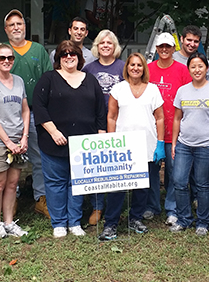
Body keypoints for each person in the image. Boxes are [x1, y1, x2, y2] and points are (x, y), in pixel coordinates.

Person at [0, 9, 53, 218]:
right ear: (6, 30)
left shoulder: (38, 50)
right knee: (6, 159)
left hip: (31, 112)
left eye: (19, 24)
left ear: (25, 26)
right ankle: (10, 202)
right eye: (11, 25)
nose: (16, 28)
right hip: (2, 116)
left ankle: (41, 198)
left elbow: (47, 81)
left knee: (38, 157)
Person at [33, 41, 107, 237]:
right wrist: (53, 131)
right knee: (56, 182)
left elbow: (101, 110)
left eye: (72, 53)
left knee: (77, 182)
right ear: (58, 58)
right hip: (54, 142)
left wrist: (100, 135)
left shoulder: (90, 80)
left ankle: (74, 222)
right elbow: (39, 108)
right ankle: (58, 223)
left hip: (83, 145)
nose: (68, 57)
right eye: (64, 54)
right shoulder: (48, 79)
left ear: (79, 57)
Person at [98, 53, 165, 241]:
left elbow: (159, 118)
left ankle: (135, 218)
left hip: (146, 145)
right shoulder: (118, 89)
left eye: (139, 65)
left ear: (144, 68)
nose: (135, 68)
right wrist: (110, 142)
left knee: (142, 186)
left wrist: (160, 143)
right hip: (122, 147)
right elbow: (111, 116)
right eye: (132, 64)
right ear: (126, 67)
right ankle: (111, 223)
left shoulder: (152, 90)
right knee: (117, 187)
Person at [169, 52, 209, 236]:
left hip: (207, 145)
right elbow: (177, 118)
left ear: (207, 68)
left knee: (203, 184)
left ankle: (203, 222)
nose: (197, 70)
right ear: (189, 69)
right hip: (184, 144)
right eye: (193, 66)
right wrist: (173, 143)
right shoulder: (182, 90)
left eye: (200, 66)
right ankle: (184, 218)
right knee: (179, 181)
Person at [0, 43, 31, 239]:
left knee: (12, 183)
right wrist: (8, 142)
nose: (7, 61)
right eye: (2, 58)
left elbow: (25, 110)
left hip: (18, 142)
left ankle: (9, 222)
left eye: (10, 58)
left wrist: (24, 136)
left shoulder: (18, 81)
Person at [146, 32, 191, 224]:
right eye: (161, 46)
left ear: (174, 48)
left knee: (174, 172)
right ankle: (151, 206)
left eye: (168, 46)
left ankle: (172, 208)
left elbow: (189, 97)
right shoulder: (147, 69)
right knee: (151, 171)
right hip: (151, 130)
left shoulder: (182, 70)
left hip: (175, 130)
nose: (164, 49)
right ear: (156, 48)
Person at [81, 29, 125, 225]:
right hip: (94, 122)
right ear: (96, 47)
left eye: (109, 43)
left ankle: (115, 207)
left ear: (115, 47)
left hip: (120, 121)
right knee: (97, 166)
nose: (106, 46)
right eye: (102, 43)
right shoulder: (88, 69)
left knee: (117, 166)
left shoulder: (123, 67)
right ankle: (97, 206)